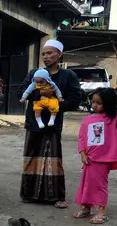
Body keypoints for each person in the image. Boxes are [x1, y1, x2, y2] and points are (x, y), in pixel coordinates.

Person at [18, 39, 81, 208]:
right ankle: (29, 194)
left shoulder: (68, 76)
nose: (46, 57)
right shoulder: (34, 73)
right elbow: (21, 91)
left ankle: (56, 196)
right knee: (32, 158)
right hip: (34, 122)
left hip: (53, 125)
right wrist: (39, 95)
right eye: (43, 54)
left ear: (59, 54)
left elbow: (76, 97)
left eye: (50, 53)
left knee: (53, 160)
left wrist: (57, 104)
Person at [74, 88, 117, 224]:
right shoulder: (87, 119)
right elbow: (82, 138)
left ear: (107, 104)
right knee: (87, 184)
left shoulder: (112, 120)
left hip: (103, 159)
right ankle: (87, 207)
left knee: (100, 185)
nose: (94, 105)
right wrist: (82, 154)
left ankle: (102, 212)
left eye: (99, 103)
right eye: (93, 102)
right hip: (89, 158)